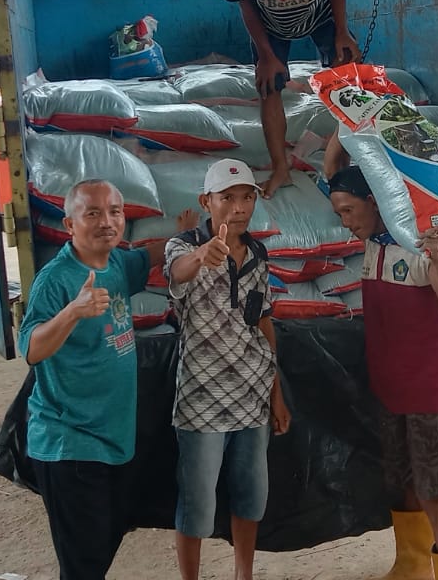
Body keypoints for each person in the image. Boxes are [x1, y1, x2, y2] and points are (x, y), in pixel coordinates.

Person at [18, 180, 170, 580]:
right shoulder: (58, 280)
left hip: (113, 437)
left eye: (115, 211)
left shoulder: (117, 262)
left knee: (98, 550)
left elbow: (148, 256)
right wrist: (72, 312)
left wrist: (188, 240)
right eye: (93, 213)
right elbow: (31, 349)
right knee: (84, 564)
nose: (107, 221)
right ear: (69, 224)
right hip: (71, 443)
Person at [328, 165, 438, 580]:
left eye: (350, 211)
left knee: (434, 493)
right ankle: (412, 565)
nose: (347, 222)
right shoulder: (374, 248)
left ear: (374, 202)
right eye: (339, 214)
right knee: (403, 484)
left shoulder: (420, 249)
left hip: (428, 390)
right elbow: (333, 165)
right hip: (390, 388)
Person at [164, 159, 292, 580]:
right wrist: (203, 255)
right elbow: (178, 273)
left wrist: (276, 394)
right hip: (201, 403)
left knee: (249, 498)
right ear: (207, 201)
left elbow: (263, 321)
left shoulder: (257, 254)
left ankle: (244, 575)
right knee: (197, 505)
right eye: (228, 198)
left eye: (247, 197)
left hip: (252, 401)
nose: (239, 208)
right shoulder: (183, 247)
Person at [219, 0, 360, 198]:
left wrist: (342, 32)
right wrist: (266, 55)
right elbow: (244, 0)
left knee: (348, 79)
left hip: (321, 13)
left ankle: (341, 163)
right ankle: (280, 169)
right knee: (268, 87)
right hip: (267, 22)